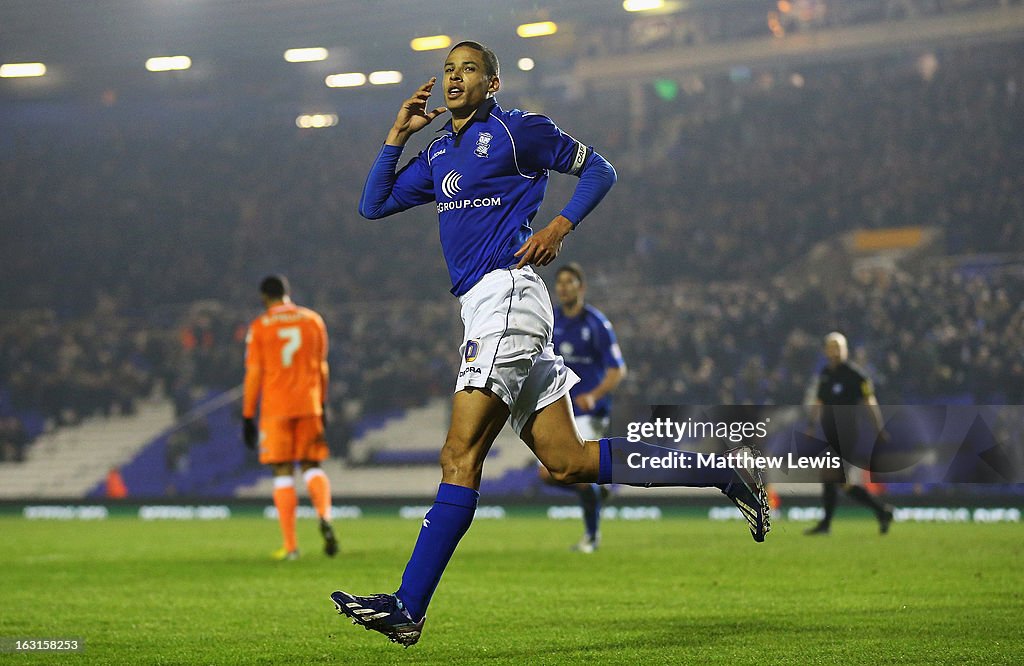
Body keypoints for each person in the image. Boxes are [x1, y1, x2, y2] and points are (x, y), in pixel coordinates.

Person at [331, 40, 770, 647]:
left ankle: (409, 605)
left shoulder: (520, 132)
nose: (455, 78)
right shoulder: (437, 153)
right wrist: (396, 136)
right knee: (569, 462)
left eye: (469, 70)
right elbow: (371, 204)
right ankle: (721, 471)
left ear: (494, 83)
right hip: (487, 307)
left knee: (460, 455)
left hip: (507, 297)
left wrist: (560, 226)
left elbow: (601, 169)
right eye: (448, 71)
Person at [242, 275, 338, 560]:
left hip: (276, 408)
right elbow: (322, 367)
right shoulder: (312, 320)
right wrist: (321, 402)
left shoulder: (260, 327)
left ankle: (292, 547)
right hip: (309, 404)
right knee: (312, 465)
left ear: (264, 297)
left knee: (282, 472)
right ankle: (325, 517)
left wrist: (248, 415)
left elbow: (254, 374)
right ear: (288, 293)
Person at [539, 262, 626, 553]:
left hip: (591, 410)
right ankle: (596, 492)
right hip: (561, 409)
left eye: (569, 282)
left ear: (581, 286)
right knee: (547, 474)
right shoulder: (552, 321)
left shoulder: (596, 323)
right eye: (560, 282)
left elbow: (617, 371)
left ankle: (591, 537)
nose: (563, 287)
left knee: (575, 470)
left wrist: (593, 394)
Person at [804, 331, 894, 536]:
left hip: (847, 433)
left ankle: (827, 524)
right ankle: (881, 511)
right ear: (826, 350)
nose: (834, 351)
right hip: (830, 431)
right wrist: (810, 425)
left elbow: (870, 402)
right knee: (837, 480)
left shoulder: (855, 375)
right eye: (831, 346)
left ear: (845, 350)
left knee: (832, 476)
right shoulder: (825, 375)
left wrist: (878, 428)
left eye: (838, 346)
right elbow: (819, 402)